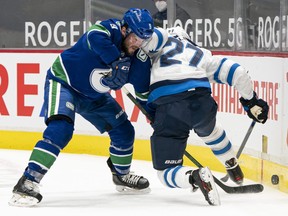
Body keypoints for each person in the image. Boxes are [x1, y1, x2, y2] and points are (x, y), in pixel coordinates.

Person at [9, 8, 154, 207]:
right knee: (61, 129)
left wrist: (153, 114)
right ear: (124, 29)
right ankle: (28, 181)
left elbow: (143, 93)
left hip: (95, 97)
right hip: (63, 82)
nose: (138, 44)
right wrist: (115, 60)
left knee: (125, 131)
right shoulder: (109, 29)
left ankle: (121, 175)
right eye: (135, 38)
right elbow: (94, 36)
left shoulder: (138, 60)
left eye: (143, 40)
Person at [126, 26, 269, 205]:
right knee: (211, 132)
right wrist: (251, 102)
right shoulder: (200, 53)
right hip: (202, 103)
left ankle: (194, 177)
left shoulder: (152, 48)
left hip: (170, 106)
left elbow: (140, 79)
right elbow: (238, 72)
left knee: (165, 171)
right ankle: (231, 163)